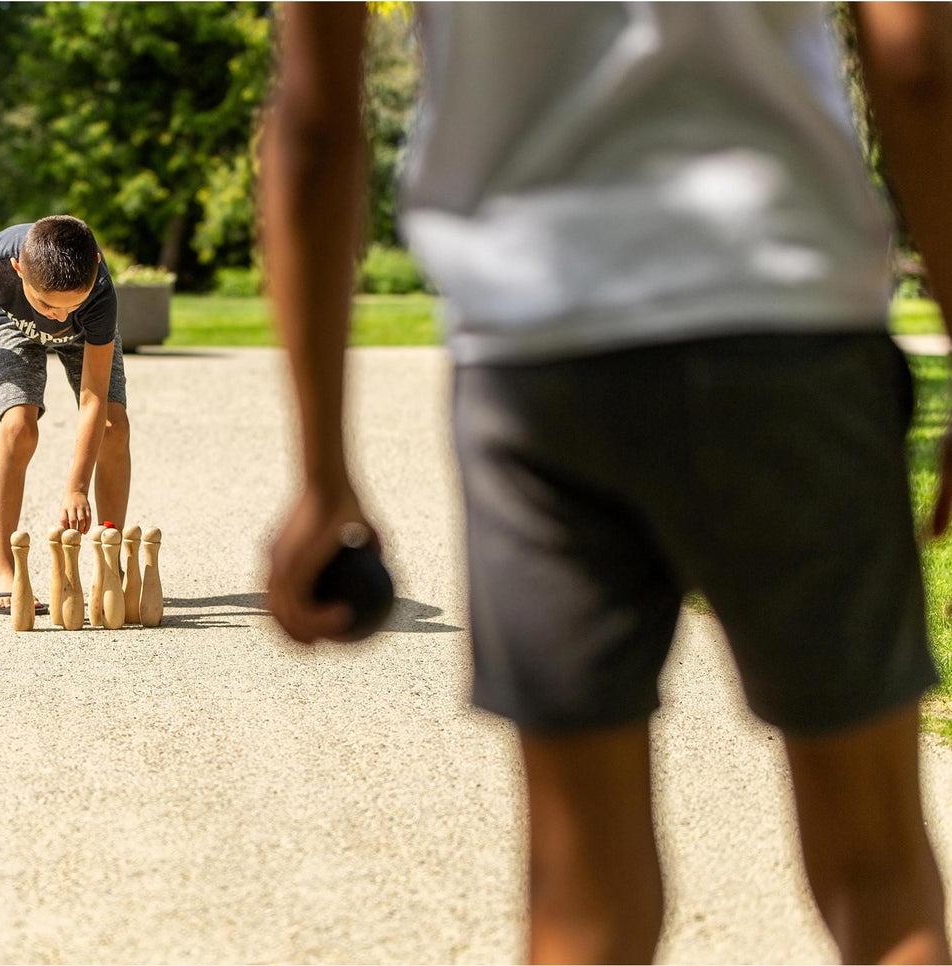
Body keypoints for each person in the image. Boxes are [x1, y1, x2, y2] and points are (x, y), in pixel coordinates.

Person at [262, 3, 950, 962]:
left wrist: (322, 472)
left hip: (539, 356)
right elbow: (916, 60)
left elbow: (313, 121)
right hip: (789, 330)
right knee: (879, 878)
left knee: (583, 905)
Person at [0, 215, 130, 615]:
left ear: (95, 266)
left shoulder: (99, 294)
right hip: (11, 323)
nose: (57, 316)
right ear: (18, 269)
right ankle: (3, 568)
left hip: (86, 336)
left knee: (114, 425)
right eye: (47, 304)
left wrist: (77, 487)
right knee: (18, 428)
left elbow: (93, 399)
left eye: (72, 303)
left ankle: (111, 563)